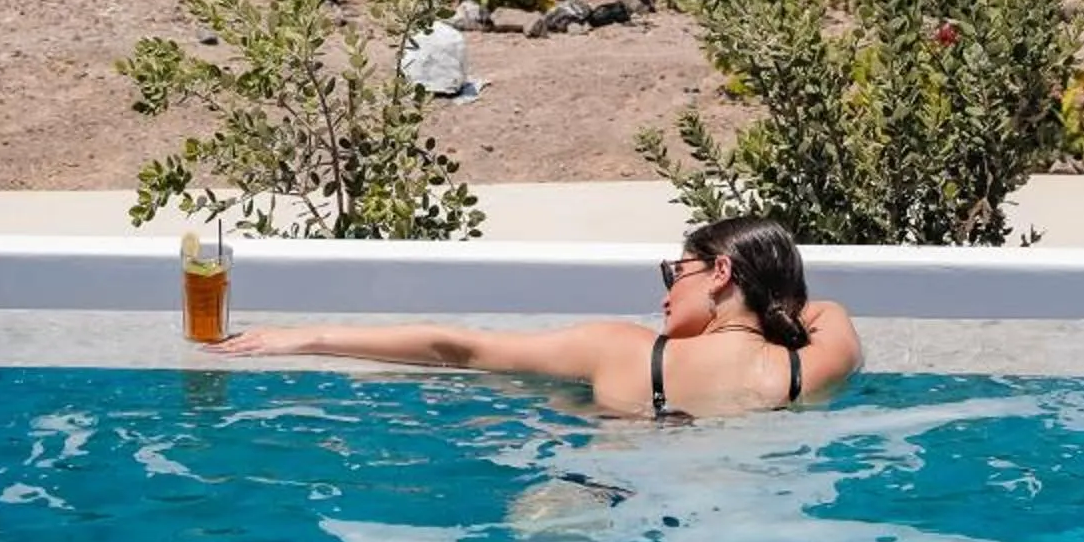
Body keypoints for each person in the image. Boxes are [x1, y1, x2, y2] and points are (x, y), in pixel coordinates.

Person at [226, 216, 862, 420]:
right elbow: (827, 309)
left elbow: (459, 349)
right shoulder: (811, 369)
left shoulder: (621, 351)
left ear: (721, 275)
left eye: (677, 272)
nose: (666, 294)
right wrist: (773, 300)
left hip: (610, 494)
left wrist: (306, 336)